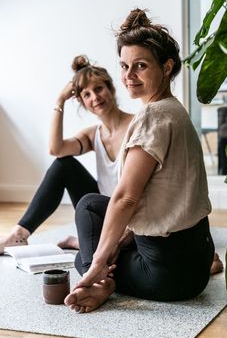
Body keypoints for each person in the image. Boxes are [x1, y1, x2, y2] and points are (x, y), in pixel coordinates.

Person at [64, 8, 221, 314]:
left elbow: (126, 198)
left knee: (83, 252)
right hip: (198, 260)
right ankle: (106, 267)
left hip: (166, 276)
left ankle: (103, 284)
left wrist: (96, 265)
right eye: (124, 66)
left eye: (140, 66)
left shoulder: (152, 116)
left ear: (167, 67)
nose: (128, 76)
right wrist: (116, 244)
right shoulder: (174, 109)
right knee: (94, 204)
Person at [0, 55, 133, 254]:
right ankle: (20, 233)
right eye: (86, 95)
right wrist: (60, 100)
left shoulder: (136, 125)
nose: (95, 98)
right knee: (64, 165)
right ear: (82, 102)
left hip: (129, 212)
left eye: (98, 89)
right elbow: (56, 149)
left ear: (111, 89)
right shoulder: (92, 134)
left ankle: (80, 242)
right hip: (101, 210)